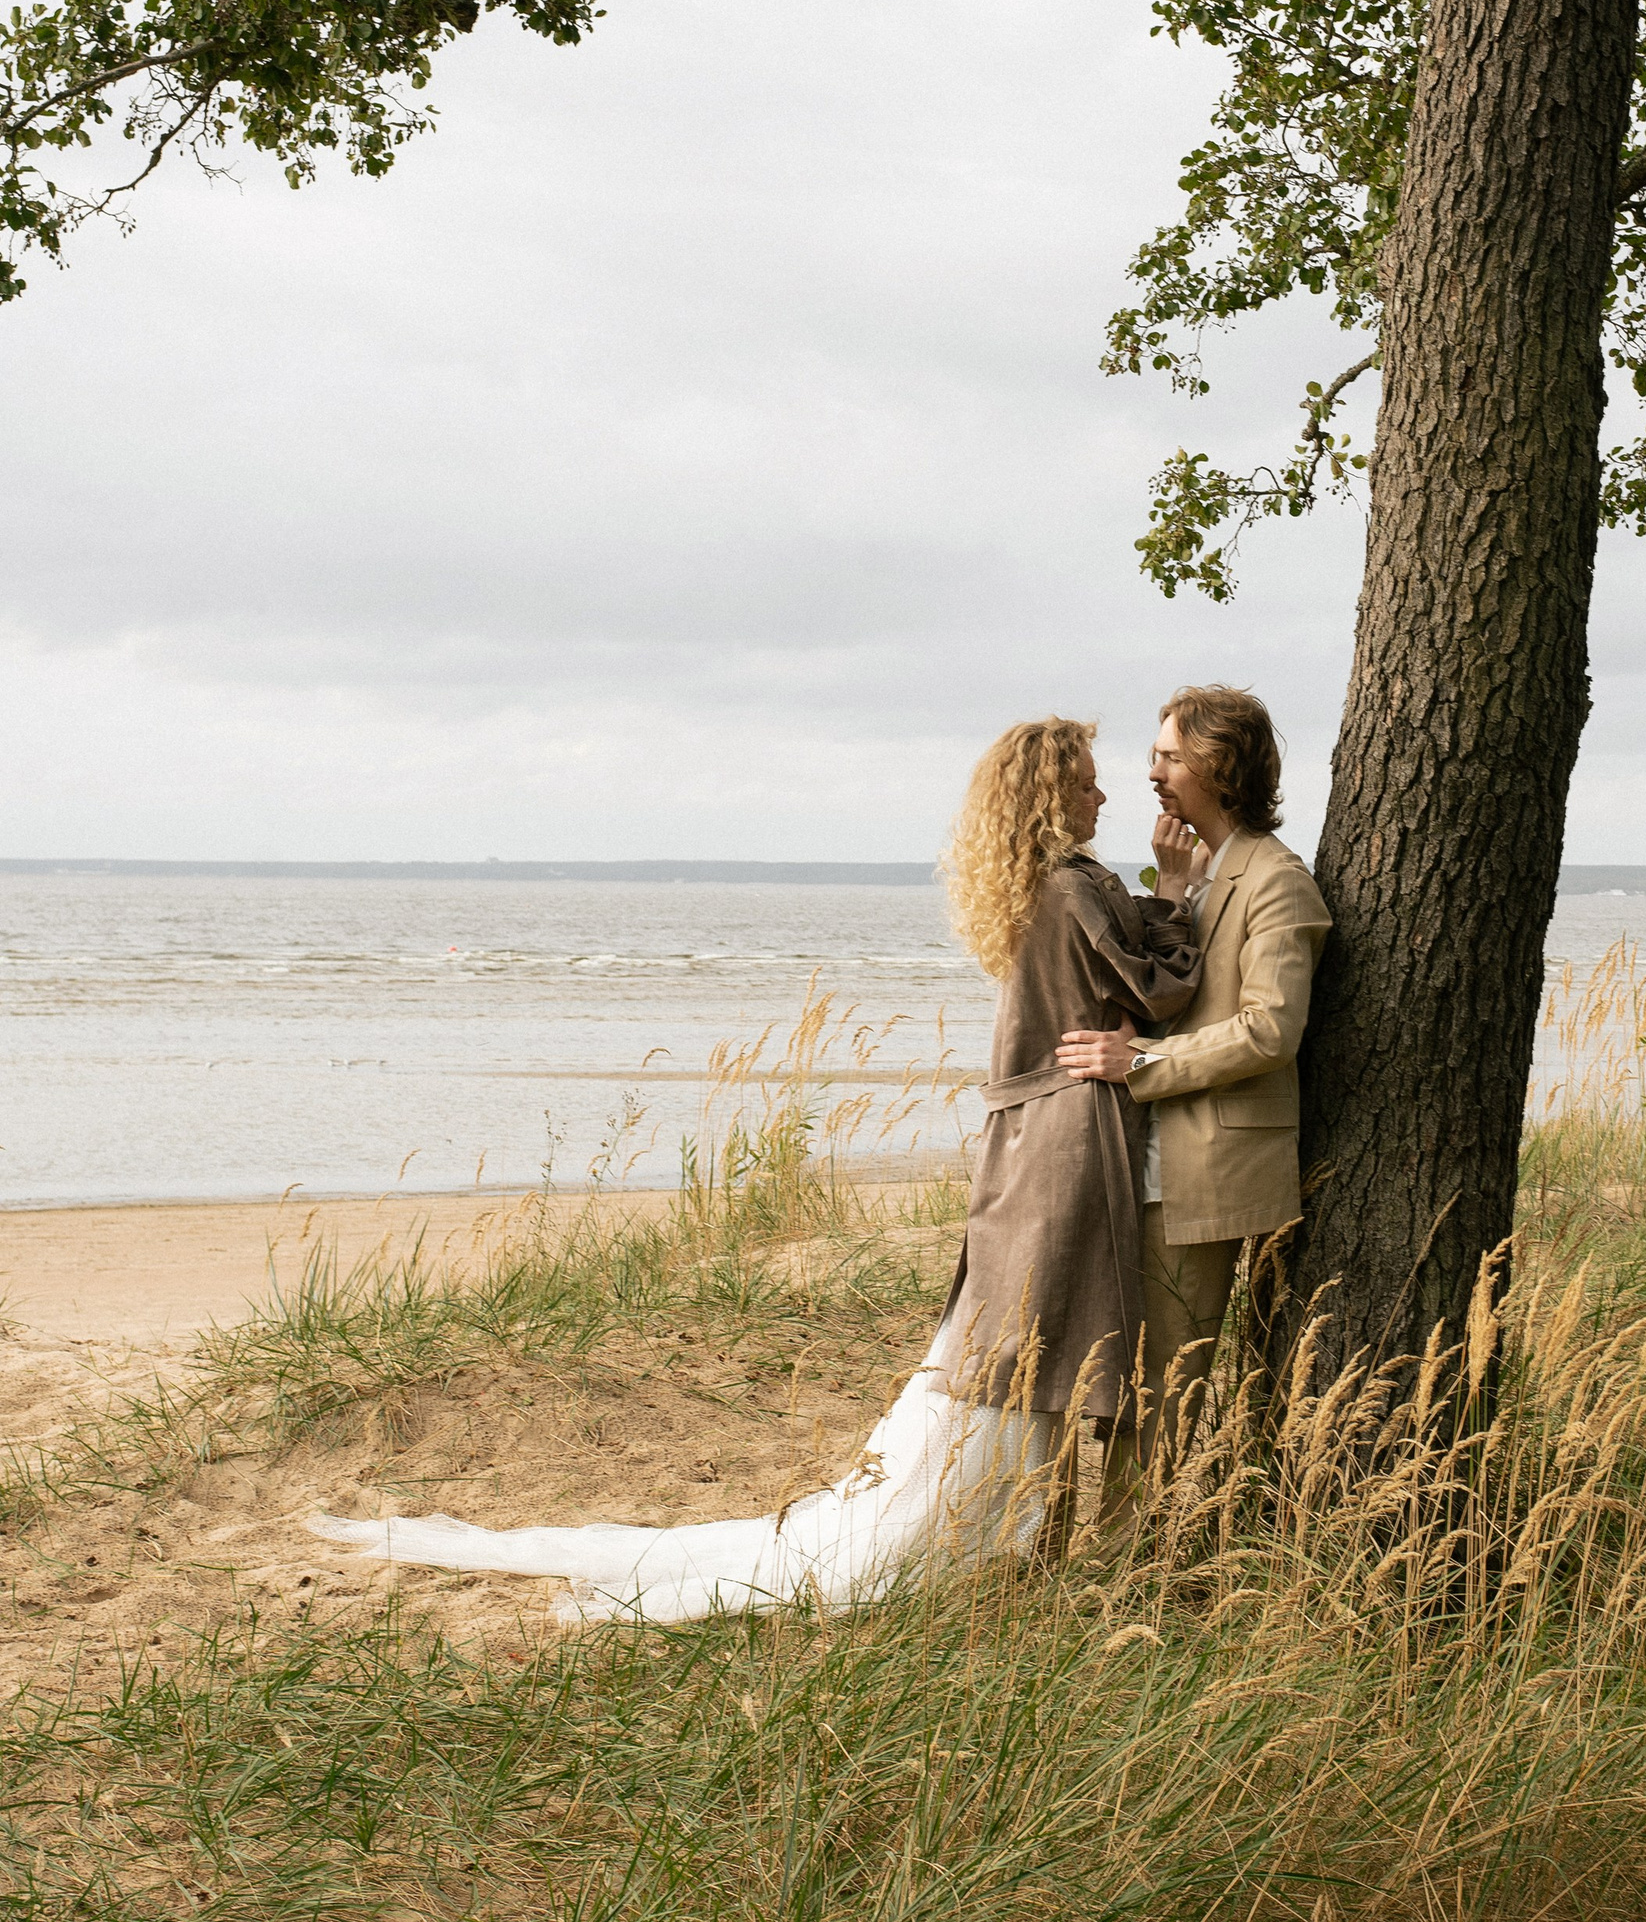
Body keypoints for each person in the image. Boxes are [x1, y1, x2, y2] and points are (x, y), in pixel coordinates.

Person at [310, 718, 1199, 1623]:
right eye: (1086, 781)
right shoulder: (1070, 887)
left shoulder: (1037, 886)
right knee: (1023, 1341)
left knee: (1010, 1341)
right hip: (1062, 1140)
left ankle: (1011, 1529)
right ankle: (988, 1531)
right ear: (1050, 796)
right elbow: (1163, 989)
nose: (1103, 796)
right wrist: (1176, 887)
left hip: (1036, 1137)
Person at [1057, 684, 1331, 1457]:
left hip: (1206, 1168)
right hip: (1141, 1157)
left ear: (1220, 764)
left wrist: (1134, 1061)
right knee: (1127, 1378)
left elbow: (1268, 1031)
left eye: (1171, 757)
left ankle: (1136, 1561)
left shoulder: (1277, 881)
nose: (1152, 773)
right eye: (1154, 756)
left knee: (1166, 1385)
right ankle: (1120, 1553)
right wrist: (1168, 891)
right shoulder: (1191, 869)